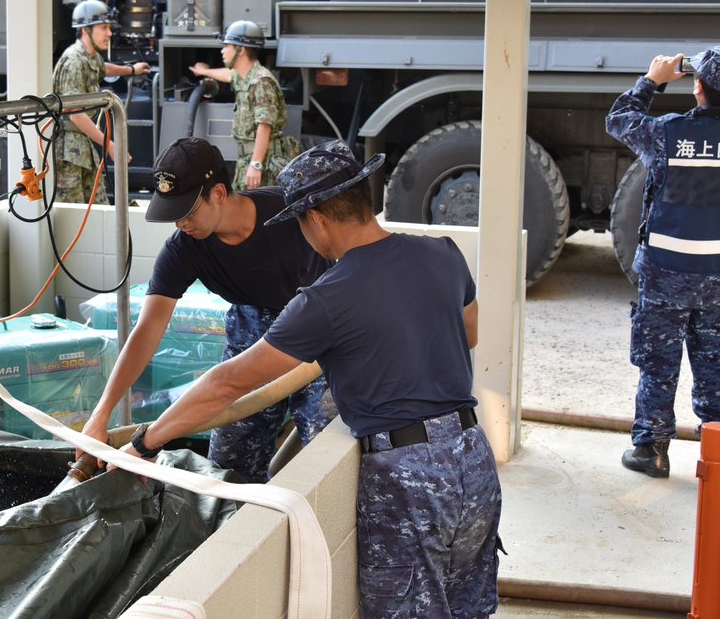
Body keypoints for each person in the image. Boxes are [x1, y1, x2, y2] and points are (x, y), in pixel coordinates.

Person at [118, 139, 502, 618]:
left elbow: (227, 386)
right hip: (473, 462)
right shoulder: (444, 253)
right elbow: (468, 333)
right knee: (467, 610)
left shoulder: (324, 300)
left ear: (315, 219)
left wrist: (145, 442)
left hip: (410, 481)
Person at [81, 136, 335, 484]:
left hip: (319, 328)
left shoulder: (289, 213)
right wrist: (101, 413)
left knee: (328, 449)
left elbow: (348, 264)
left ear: (217, 193)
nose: (180, 223)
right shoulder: (185, 249)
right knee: (226, 464)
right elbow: (148, 329)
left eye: (186, 212)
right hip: (252, 329)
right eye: (171, 214)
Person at [606, 47, 720, 478]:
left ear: (697, 86)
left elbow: (619, 118)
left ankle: (653, 451)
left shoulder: (668, 132)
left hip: (666, 270)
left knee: (659, 363)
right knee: (718, 364)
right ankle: (718, 456)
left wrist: (653, 80)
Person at [51, 0, 150, 204]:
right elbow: (76, 113)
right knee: (74, 216)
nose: (109, 33)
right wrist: (110, 146)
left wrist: (131, 70)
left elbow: (103, 68)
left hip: (82, 147)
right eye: (103, 28)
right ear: (86, 30)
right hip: (68, 152)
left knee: (98, 210)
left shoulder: (89, 57)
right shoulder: (73, 61)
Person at [188, 19, 299, 190]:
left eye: (227, 46)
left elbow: (265, 125)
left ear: (241, 49)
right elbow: (228, 75)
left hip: (265, 161)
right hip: (248, 158)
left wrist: (256, 164)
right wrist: (204, 71)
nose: (222, 51)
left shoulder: (261, 81)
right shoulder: (244, 76)